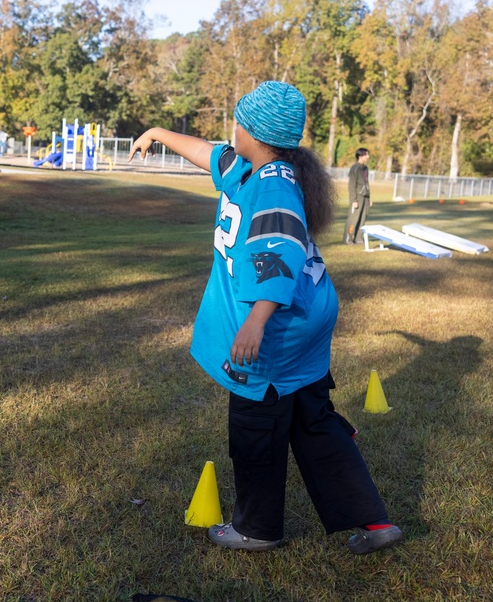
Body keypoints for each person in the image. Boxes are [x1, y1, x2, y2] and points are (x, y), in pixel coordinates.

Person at [129, 81, 402, 555]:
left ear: (251, 131)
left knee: (255, 426)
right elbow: (205, 152)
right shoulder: (250, 166)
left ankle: (257, 528)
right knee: (313, 423)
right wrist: (156, 132)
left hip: (277, 326)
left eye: (236, 121)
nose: (229, 130)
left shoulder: (273, 185)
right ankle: (374, 522)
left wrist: (256, 320)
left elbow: (279, 252)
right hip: (308, 322)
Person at [345, 148, 371, 244]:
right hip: (357, 197)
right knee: (353, 219)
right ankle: (348, 238)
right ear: (360, 156)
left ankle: (358, 237)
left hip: (365, 197)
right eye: (366, 155)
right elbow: (351, 185)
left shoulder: (365, 168)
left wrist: (369, 198)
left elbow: (366, 184)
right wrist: (353, 200)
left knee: (362, 218)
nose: (368, 157)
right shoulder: (355, 168)